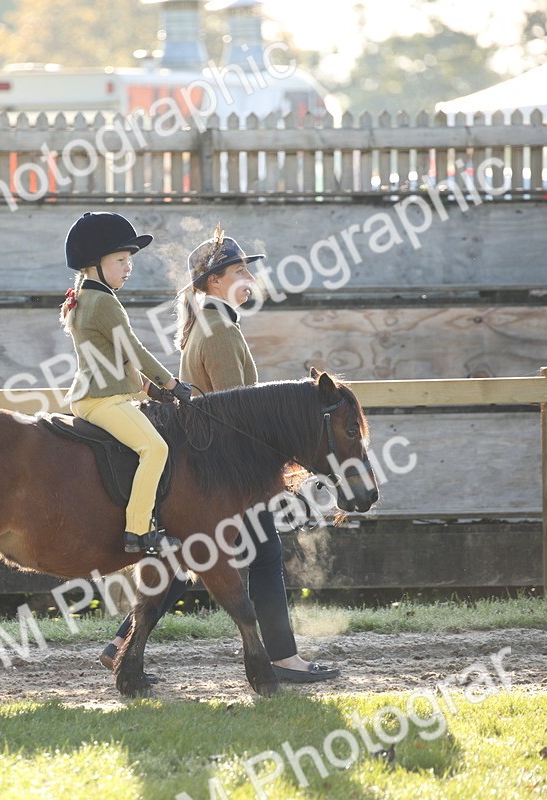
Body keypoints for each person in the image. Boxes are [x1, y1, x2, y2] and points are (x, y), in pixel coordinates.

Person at [99, 225, 341, 683]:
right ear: (214, 282)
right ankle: (282, 659)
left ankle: (120, 643)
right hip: (228, 473)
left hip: (210, 469)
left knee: (186, 558)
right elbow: (241, 415)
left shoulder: (207, 325)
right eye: (239, 270)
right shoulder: (221, 332)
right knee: (264, 558)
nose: (249, 276)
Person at [61, 211, 193, 556]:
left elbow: (112, 358)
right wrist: (172, 381)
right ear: (94, 263)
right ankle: (138, 531)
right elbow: (133, 350)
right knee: (156, 448)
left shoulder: (84, 296)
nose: (128, 267)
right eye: (120, 260)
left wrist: (151, 391)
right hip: (103, 401)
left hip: (95, 394)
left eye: (128, 260)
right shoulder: (104, 301)